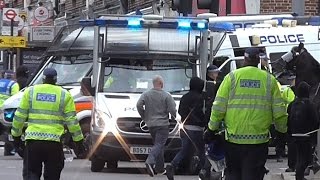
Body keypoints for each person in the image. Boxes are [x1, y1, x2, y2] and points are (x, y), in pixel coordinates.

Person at [204, 47, 288, 180]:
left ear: (245, 59)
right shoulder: (269, 80)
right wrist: (282, 134)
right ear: (258, 61)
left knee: (233, 175)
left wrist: (211, 129)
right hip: (258, 142)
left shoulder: (231, 78)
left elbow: (218, 107)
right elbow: (280, 112)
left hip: (233, 140)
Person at [11, 68, 86, 180]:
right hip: (54, 143)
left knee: (31, 173)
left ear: (43, 78)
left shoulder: (30, 92)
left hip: (33, 141)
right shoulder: (64, 94)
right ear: (56, 79)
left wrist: (16, 137)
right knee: (52, 175)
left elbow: (19, 117)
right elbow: (72, 122)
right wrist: (79, 142)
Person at [166, 77, 206, 180]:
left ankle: (172, 165)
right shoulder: (200, 98)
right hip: (197, 128)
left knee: (184, 150)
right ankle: (204, 170)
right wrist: (203, 122)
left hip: (184, 127)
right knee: (201, 150)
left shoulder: (184, 97)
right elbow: (201, 112)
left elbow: (179, 111)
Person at [136, 75, 177, 177]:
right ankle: (150, 161)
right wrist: (174, 117)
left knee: (158, 145)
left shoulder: (146, 94)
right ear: (161, 84)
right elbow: (172, 109)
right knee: (159, 144)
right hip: (162, 124)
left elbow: (138, 105)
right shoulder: (166, 95)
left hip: (151, 124)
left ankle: (159, 168)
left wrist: (144, 116)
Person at [287, 81, 319, 180]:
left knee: (299, 156)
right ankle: (299, 176)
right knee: (305, 158)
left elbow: (288, 118)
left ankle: (299, 175)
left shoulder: (292, 104)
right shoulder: (310, 104)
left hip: (294, 135)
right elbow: (315, 120)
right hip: (307, 135)